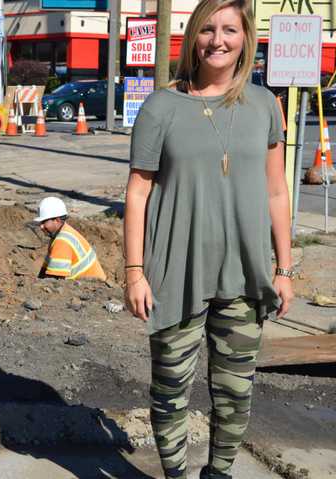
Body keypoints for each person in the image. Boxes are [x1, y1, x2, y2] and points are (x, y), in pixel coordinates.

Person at [123, 1, 293, 478]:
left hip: (245, 273)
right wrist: (134, 272)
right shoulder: (161, 107)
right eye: (208, 30)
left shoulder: (264, 105)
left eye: (230, 30)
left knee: (236, 394)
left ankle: (218, 474)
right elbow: (137, 192)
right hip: (174, 274)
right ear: (193, 38)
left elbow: (277, 191)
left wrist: (285, 269)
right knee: (171, 391)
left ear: (245, 38)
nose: (218, 40)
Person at [35, 196, 107, 281]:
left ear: (57, 220)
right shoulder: (60, 233)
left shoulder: (62, 241)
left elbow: (53, 281)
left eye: (44, 222)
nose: (41, 226)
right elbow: (44, 271)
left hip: (92, 287)